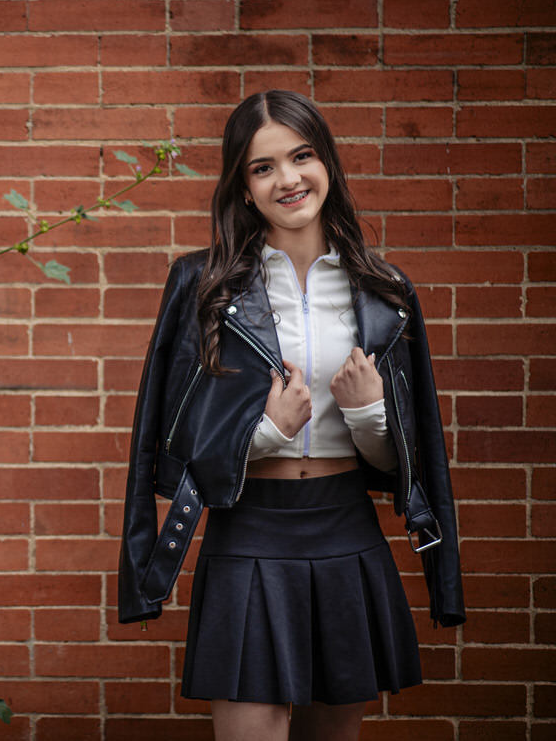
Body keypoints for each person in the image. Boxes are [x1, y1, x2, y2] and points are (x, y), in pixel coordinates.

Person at [117, 90, 465, 740]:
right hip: (248, 538)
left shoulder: (386, 291)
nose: (288, 178)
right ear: (243, 188)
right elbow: (171, 443)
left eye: (301, 156)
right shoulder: (201, 286)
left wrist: (367, 415)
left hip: (347, 535)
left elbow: (410, 464)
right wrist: (268, 431)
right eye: (263, 166)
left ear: (326, 163)